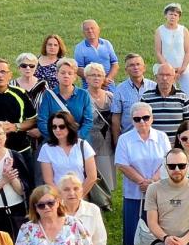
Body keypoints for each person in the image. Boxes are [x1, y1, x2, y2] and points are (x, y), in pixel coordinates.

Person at [114, 104, 171, 245]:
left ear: (152, 118)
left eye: (145, 118)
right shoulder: (125, 139)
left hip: (159, 190)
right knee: (137, 225)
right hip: (135, 192)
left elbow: (167, 161)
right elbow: (122, 164)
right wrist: (142, 182)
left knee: (160, 224)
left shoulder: (161, 137)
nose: (142, 122)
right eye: (137, 119)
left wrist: (152, 182)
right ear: (132, 120)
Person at [38, 112, 97, 198]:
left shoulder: (83, 145)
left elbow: (92, 177)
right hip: (59, 197)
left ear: (70, 127)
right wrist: (63, 199)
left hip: (82, 195)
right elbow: (48, 180)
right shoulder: (46, 148)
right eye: (54, 127)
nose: (57, 130)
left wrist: (78, 197)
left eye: (61, 126)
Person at [82, 63, 115, 208]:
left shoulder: (110, 96)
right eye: (92, 75)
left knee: (106, 172)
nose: (96, 78)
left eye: (99, 75)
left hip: (107, 140)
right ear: (86, 78)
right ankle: (91, 202)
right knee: (90, 173)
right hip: (89, 140)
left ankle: (105, 201)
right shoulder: (82, 96)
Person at [141, 64, 189, 139]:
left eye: (168, 75)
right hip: (153, 143)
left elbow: (188, 123)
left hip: (176, 144)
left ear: (174, 78)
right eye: (161, 75)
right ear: (156, 78)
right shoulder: (146, 97)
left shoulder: (182, 97)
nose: (164, 78)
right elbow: (141, 123)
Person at [111, 53, 155, 141]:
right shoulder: (120, 89)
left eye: (138, 64)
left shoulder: (154, 87)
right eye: (131, 65)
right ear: (126, 70)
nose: (135, 67)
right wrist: (117, 141)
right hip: (129, 139)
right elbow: (116, 118)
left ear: (144, 68)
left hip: (151, 138)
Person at [153, 3, 189, 97]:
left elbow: (188, 52)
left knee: (188, 95)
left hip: (183, 68)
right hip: (167, 70)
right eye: (171, 14)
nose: (173, 17)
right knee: (169, 94)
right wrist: (168, 68)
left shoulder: (183, 30)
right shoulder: (160, 31)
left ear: (179, 17)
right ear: (166, 15)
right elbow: (158, 52)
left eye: (175, 15)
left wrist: (181, 69)